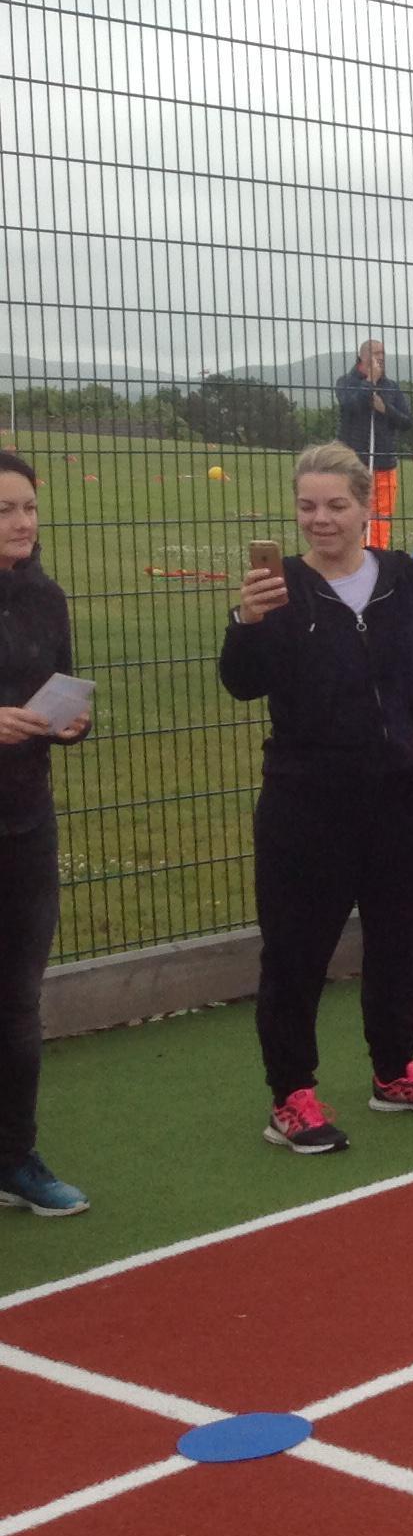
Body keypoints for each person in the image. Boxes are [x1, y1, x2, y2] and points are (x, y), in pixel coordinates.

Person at [220, 441, 413, 1153]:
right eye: (307, 506)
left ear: (366, 508)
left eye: (336, 505)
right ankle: (291, 1096)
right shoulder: (281, 587)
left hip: (405, 798)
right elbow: (241, 683)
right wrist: (246, 622)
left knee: (397, 941)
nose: (320, 519)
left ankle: (395, 1071)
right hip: (307, 802)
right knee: (296, 952)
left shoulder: (408, 579)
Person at [0, 450, 94, 1216]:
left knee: (18, 1004)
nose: (22, 522)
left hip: (26, 822)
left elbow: (58, 684)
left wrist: (71, 722)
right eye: (4, 510)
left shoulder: (46, 596)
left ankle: (14, 1155)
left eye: (28, 507)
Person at [334, 339, 413, 552]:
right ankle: (352, 553)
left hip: (384, 462)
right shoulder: (346, 382)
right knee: (351, 509)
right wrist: (369, 382)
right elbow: (350, 404)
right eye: (376, 353)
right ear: (363, 356)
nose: (381, 357)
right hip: (353, 463)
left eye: (383, 353)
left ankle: (377, 554)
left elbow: (406, 421)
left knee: (381, 516)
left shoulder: (391, 387)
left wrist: (385, 409)